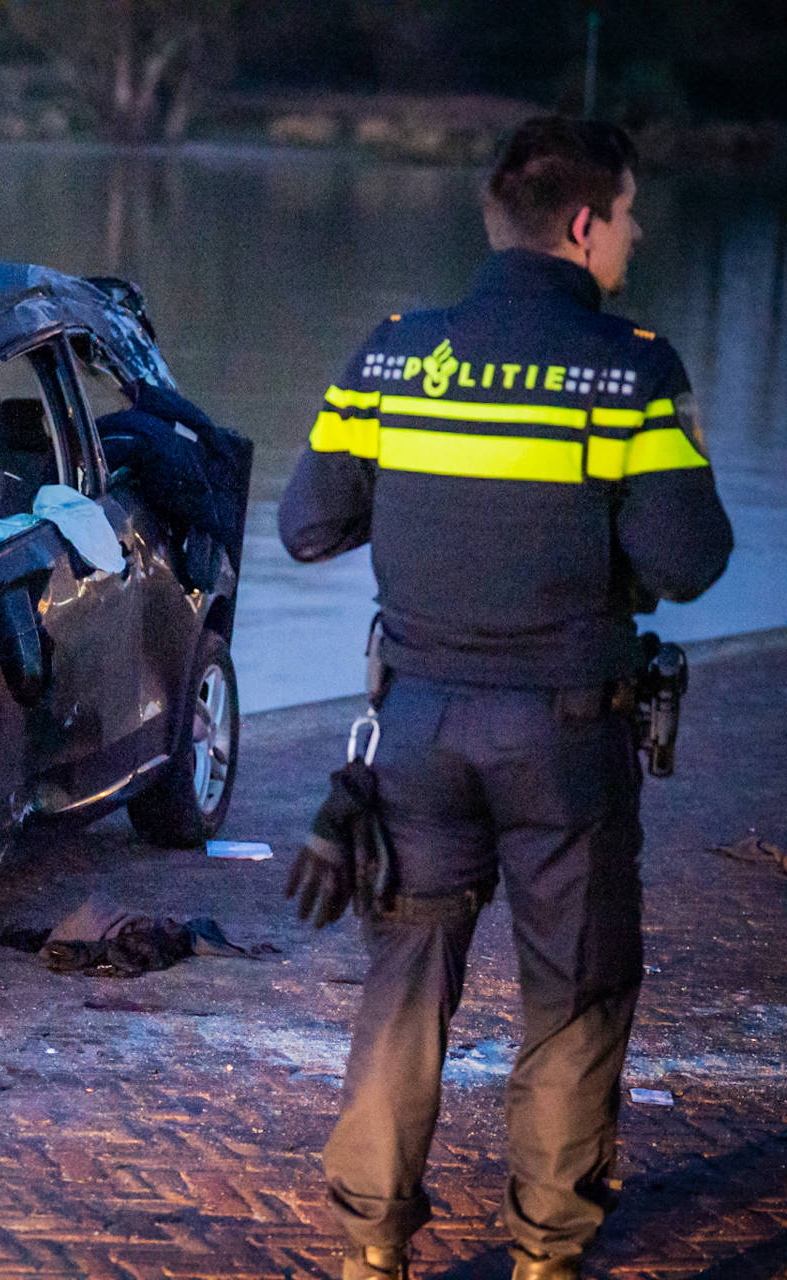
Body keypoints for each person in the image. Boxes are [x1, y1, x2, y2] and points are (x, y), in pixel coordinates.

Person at [277, 116, 735, 1280]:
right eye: (628, 215)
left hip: (414, 729)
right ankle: (544, 1255)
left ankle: (371, 1246)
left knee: (404, 981)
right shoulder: (629, 370)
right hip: (564, 738)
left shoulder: (393, 354)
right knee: (573, 994)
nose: (634, 235)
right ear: (583, 226)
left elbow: (309, 524)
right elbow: (691, 560)